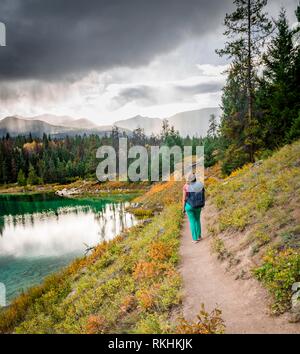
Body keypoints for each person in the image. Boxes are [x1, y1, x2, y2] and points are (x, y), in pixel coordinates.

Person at [182, 172, 205, 243]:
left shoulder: (186, 186)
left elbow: (184, 198)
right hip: (198, 205)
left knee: (192, 221)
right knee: (197, 220)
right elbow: (203, 195)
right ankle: (199, 236)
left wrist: (183, 208)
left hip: (189, 206)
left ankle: (195, 239)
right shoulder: (200, 184)